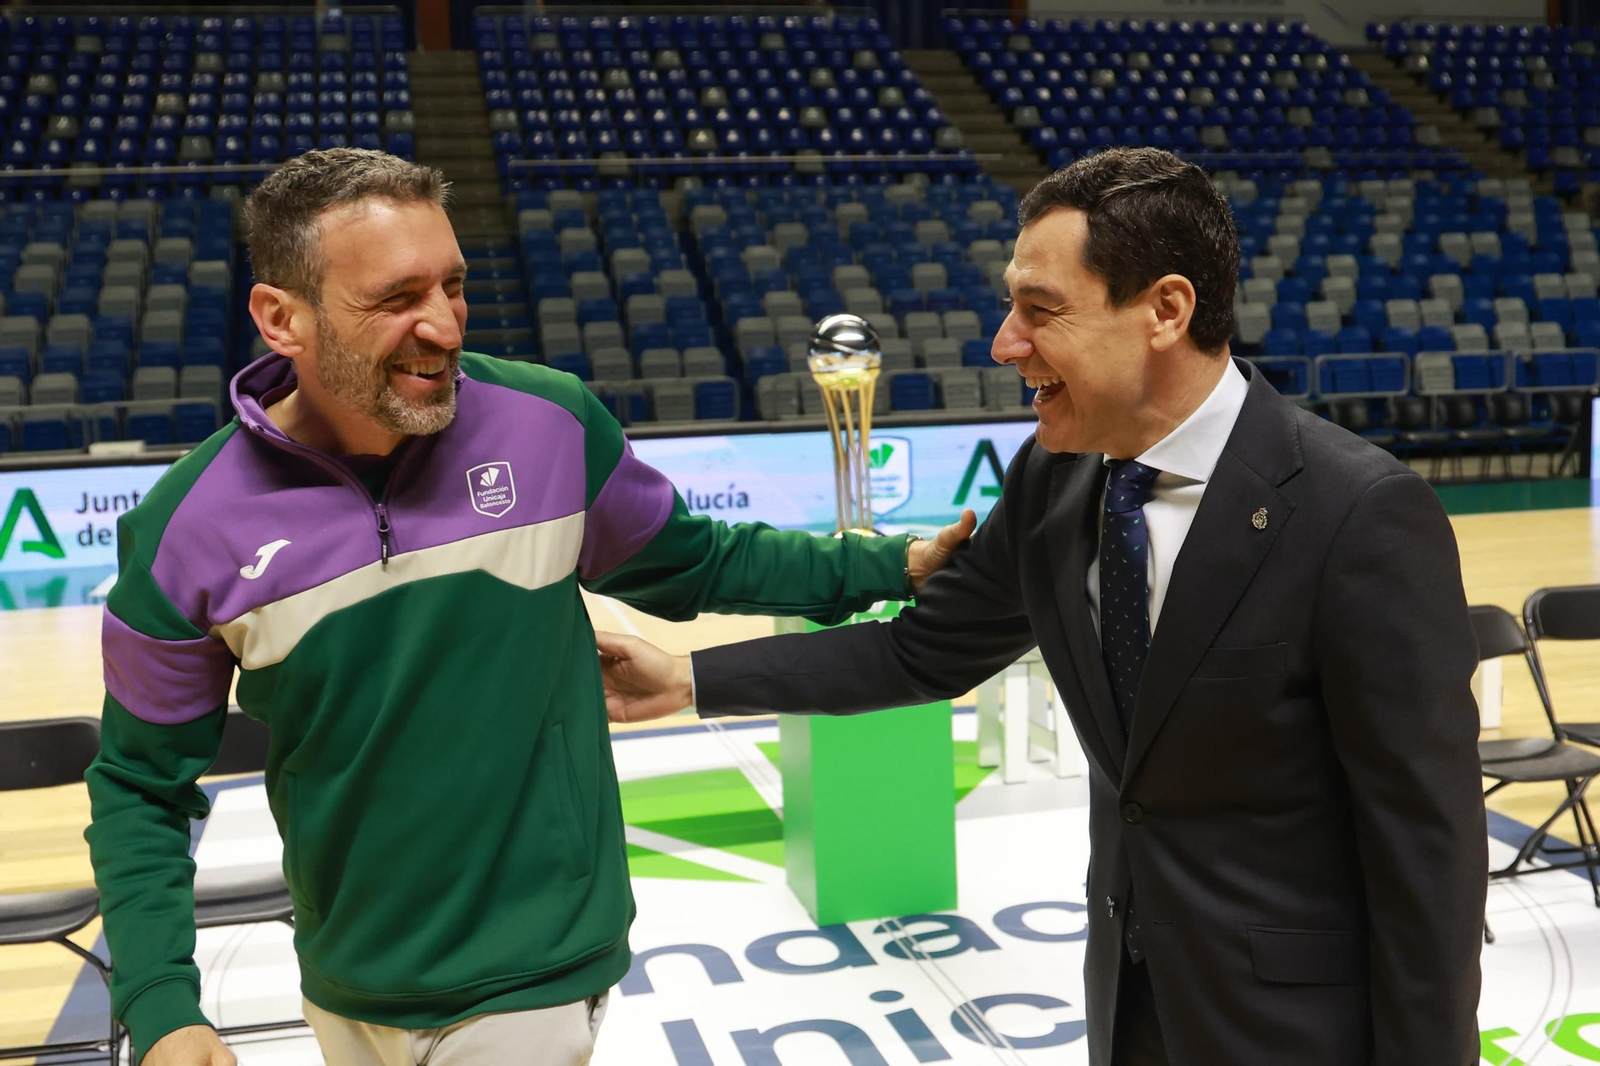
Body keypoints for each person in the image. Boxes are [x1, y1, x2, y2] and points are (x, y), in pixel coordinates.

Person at [596, 147, 1489, 1066]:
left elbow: (1429, 856)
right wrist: (689, 679)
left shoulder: (1358, 513)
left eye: (1040, 311)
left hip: (1300, 1033)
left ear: (1165, 310)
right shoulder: (1056, 477)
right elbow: (918, 656)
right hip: (1128, 1008)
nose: (1004, 343)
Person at [85, 147, 973, 1066]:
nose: (442, 325)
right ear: (282, 319)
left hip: (532, 970)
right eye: (395, 299)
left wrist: (890, 566)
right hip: (345, 975)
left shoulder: (549, 423)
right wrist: (162, 1004)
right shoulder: (184, 530)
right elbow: (141, 783)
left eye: (454, 286)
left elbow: (700, 562)